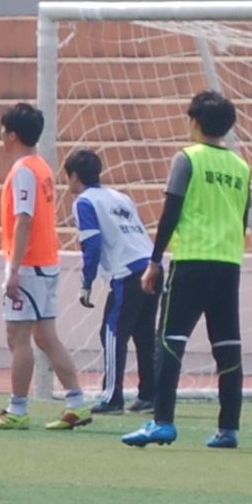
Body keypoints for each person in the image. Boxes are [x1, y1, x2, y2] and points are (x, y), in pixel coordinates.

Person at [121, 89, 250, 451]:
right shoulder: (241, 167)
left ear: (194, 121)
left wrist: (155, 260)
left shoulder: (187, 158)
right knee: (227, 346)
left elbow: (171, 212)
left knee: (170, 340)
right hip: (229, 263)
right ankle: (228, 429)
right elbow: (242, 218)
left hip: (192, 260)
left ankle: (162, 421)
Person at [0, 102, 86, 429]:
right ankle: (76, 403)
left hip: (30, 265)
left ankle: (17, 409)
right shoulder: (41, 166)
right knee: (46, 337)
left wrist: (14, 269)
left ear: (12, 134)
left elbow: (24, 219)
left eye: (3, 130)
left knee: (17, 337)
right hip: (46, 261)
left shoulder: (24, 171)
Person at [65, 148, 155, 417]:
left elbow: (91, 244)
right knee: (144, 334)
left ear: (75, 176)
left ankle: (112, 396)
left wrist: (87, 281)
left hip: (128, 271)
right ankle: (150, 395)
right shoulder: (120, 197)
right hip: (151, 265)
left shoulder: (84, 202)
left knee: (113, 332)